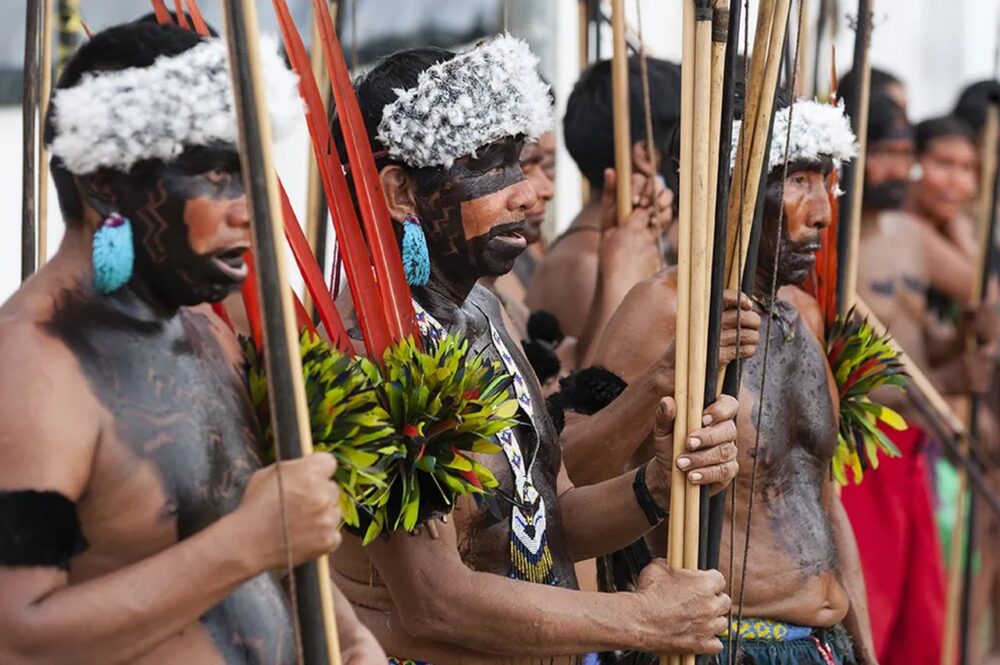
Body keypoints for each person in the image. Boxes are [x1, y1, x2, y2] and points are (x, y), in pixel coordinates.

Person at [331, 37, 741, 663]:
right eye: (488, 168)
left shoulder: (483, 312)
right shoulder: (370, 351)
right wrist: (643, 620)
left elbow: (551, 520)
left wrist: (658, 484)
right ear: (401, 193)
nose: (525, 195)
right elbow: (434, 599)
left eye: (517, 163)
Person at [0, 18, 383, 664]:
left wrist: (352, 639)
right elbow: (17, 634)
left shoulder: (205, 330)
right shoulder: (34, 367)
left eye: (248, 173)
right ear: (105, 183)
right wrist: (247, 543)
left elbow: (276, 536)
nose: (248, 207)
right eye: (214, 175)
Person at [591, 97, 877, 663]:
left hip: (823, 643)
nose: (821, 211)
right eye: (797, 180)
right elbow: (575, 470)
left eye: (826, 182)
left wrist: (864, 650)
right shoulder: (663, 310)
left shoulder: (802, 313)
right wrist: (662, 377)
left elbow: (824, 499)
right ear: (735, 187)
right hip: (725, 645)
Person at [840, 93, 950, 665]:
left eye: (905, 153)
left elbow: (933, 336)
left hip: (913, 446)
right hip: (861, 451)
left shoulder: (910, 231)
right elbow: (849, 368)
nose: (896, 168)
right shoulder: (832, 238)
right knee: (873, 617)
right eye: (882, 151)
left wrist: (962, 340)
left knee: (922, 619)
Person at [527, 57, 678, 365]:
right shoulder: (585, 264)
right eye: (682, 143)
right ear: (648, 156)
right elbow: (604, 391)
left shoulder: (607, 250)